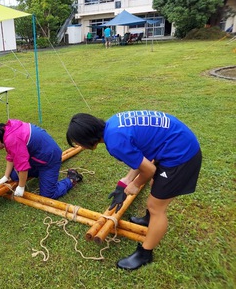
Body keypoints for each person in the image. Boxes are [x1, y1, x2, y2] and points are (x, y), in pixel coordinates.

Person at [66, 111, 202, 270]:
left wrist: (135, 184)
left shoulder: (115, 142)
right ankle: (149, 220)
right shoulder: (113, 124)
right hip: (176, 142)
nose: (80, 147)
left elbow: (149, 169)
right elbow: (141, 156)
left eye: (79, 142)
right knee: (155, 186)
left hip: (181, 155)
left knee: (156, 206)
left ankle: (145, 253)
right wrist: (125, 182)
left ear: (87, 139)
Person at [0, 119, 83, 199]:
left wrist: (21, 186)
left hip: (49, 159)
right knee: (14, 176)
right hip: (36, 157)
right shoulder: (6, 131)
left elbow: (23, 166)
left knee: (48, 194)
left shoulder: (12, 140)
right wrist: (6, 176)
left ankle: (72, 179)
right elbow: (11, 156)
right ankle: (40, 174)